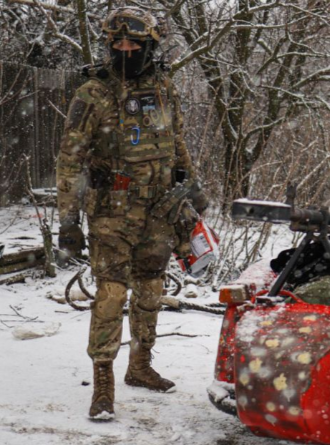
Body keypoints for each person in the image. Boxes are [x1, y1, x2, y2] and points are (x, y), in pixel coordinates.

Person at [56, 7, 201, 420]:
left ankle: (140, 365)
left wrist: (192, 187)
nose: (124, 49)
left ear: (149, 45)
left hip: (159, 208)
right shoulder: (93, 93)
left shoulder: (164, 87)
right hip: (112, 211)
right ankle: (103, 379)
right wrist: (68, 221)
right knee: (112, 293)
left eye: (133, 43)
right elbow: (69, 161)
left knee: (151, 288)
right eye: (117, 43)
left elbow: (177, 142)